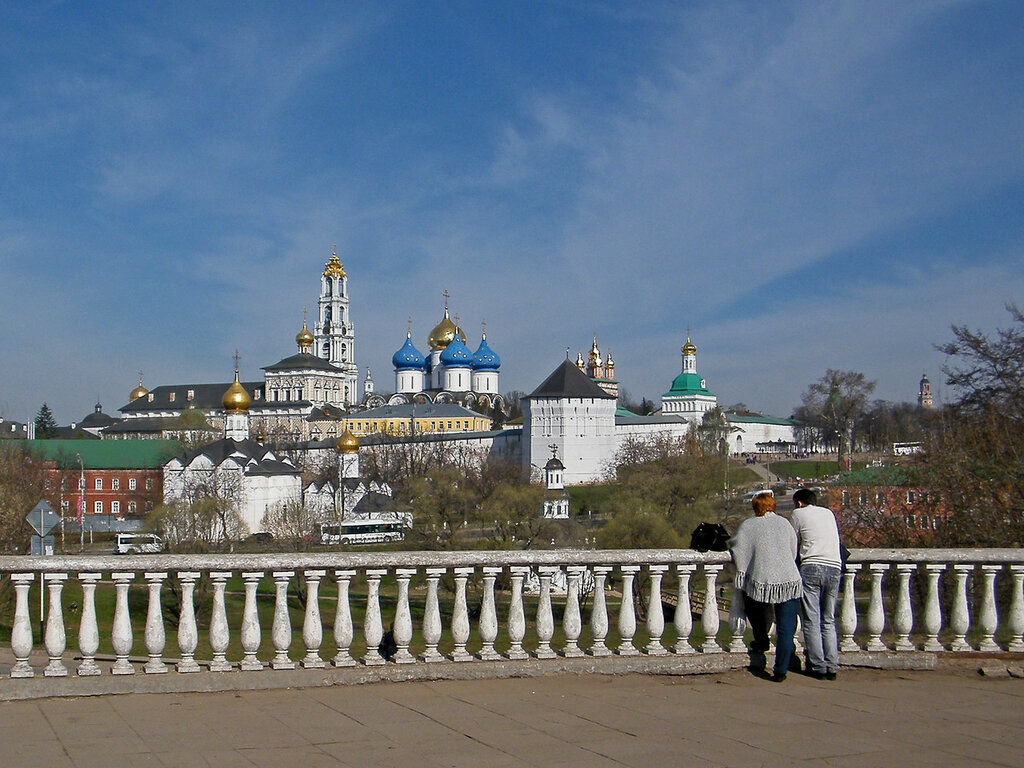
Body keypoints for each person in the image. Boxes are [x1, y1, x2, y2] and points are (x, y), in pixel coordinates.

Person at [729, 491, 802, 682]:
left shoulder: (749, 526)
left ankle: (761, 639)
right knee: (786, 629)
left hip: (763, 580)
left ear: (755, 507)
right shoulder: (784, 524)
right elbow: (793, 551)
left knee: (752, 604)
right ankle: (780, 671)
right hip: (790, 580)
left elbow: (738, 549)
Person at [790, 487, 842, 680]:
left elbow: (792, 542)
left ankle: (818, 666)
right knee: (828, 619)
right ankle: (832, 665)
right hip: (834, 566)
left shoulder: (798, 514)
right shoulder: (828, 513)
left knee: (811, 619)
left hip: (811, 565)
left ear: (800, 503)